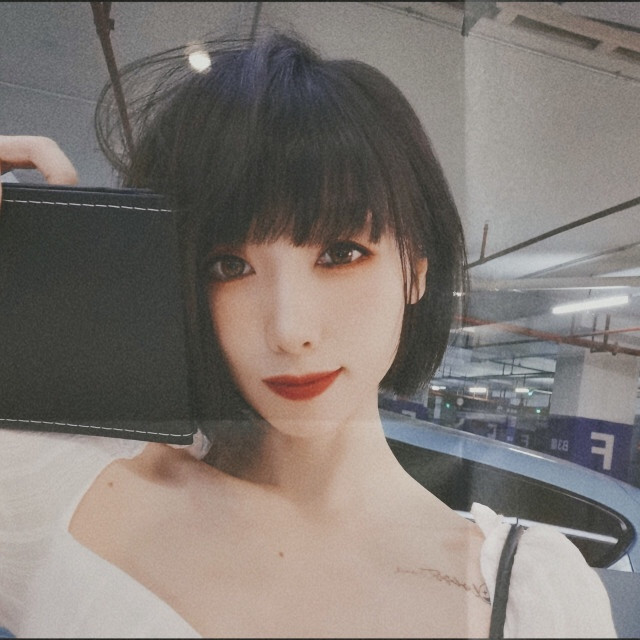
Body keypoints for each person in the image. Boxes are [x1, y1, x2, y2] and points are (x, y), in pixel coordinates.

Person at [0, 32, 616, 638]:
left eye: (342, 253)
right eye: (229, 266)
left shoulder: (529, 600)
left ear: (416, 270)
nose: (290, 331)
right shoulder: (56, 489)